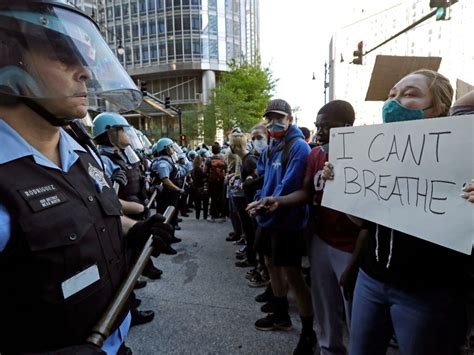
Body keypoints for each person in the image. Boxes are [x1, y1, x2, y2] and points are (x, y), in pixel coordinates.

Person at [0, 1, 171, 353]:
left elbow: (95, 213)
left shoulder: (80, 150)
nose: (86, 73)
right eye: (65, 58)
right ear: (8, 62)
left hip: (114, 336)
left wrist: (132, 229)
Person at [323, 69, 472, 355]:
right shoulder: (376, 154)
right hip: (372, 279)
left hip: (427, 292)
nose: (395, 101)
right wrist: (341, 187)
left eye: (410, 94)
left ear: (440, 107)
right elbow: (361, 222)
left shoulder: (465, 157)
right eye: (392, 95)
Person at [251, 100, 364, 355]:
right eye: (317, 126)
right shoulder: (315, 154)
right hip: (320, 237)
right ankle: (327, 348)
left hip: (347, 244)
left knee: (353, 311)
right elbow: (305, 191)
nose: (320, 132)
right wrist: (273, 201)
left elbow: (367, 217)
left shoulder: (361, 154)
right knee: (326, 305)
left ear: (346, 127)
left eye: (327, 127)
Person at [247, 99, 317, 355]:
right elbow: (265, 180)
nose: (273, 122)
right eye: (269, 117)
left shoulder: (299, 147)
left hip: (288, 222)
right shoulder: (271, 146)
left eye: (278, 117)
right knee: (269, 264)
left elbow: (289, 186)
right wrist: (257, 202)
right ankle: (280, 314)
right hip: (267, 218)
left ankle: (308, 333)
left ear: (289, 118)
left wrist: (266, 203)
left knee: (294, 277)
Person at [204, 142, 228, 222]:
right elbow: (226, 170)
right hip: (221, 181)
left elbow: (205, 170)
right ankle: (223, 215)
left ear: (212, 150)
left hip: (212, 181)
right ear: (219, 149)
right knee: (221, 197)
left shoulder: (209, 159)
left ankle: (212, 215)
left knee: (213, 198)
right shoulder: (223, 159)